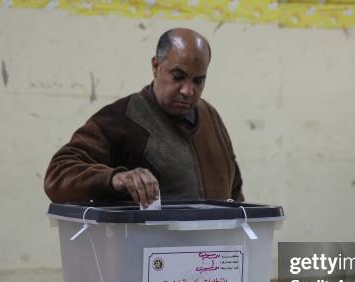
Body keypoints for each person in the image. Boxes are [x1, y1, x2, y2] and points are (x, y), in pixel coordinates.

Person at [44, 28, 244, 207]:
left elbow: (234, 193)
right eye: (178, 76)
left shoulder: (211, 118)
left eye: (198, 81)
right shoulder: (124, 117)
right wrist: (116, 178)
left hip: (216, 246)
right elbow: (58, 175)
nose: (188, 91)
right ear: (156, 66)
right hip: (147, 247)